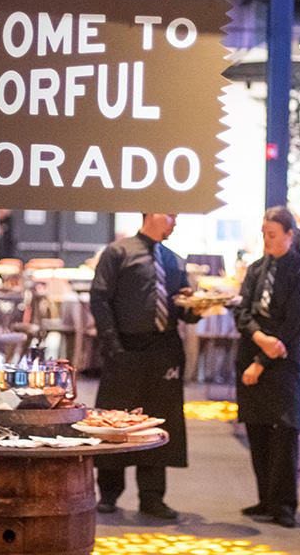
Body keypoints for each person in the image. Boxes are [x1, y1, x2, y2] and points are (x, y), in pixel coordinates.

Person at [88, 212, 202, 521]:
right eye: (170, 216)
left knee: (159, 423)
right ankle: (109, 494)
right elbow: (100, 300)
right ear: (151, 214)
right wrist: (113, 347)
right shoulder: (119, 252)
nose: (175, 222)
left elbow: (184, 311)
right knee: (115, 421)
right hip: (124, 349)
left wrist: (198, 308)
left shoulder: (175, 261)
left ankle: (152, 497)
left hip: (164, 350)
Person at [233, 206, 300, 529]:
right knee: (257, 430)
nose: (267, 240)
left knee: (284, 433)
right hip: (253, 355)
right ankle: (265, 499)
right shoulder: (256, 270)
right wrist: (258, 337)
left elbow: (295, 322)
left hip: (283, 365)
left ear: (289, 235)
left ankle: (284, 505)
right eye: (264, 235)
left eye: (272, 235)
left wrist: (265, 356)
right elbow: (242, 311)